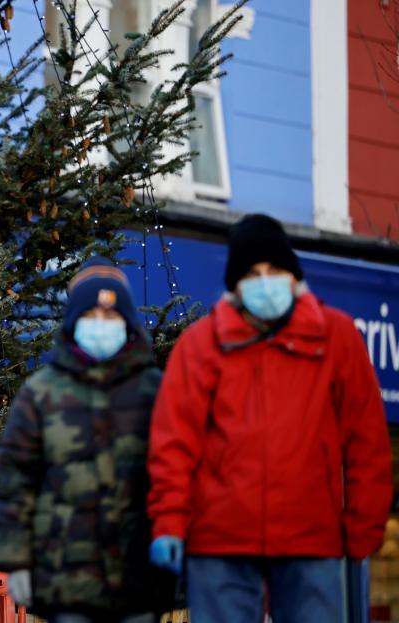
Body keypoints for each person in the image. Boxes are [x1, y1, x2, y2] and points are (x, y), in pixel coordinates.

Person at [147, 214, 394, 623]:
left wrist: (364, 526)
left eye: (275, 270)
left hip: (311, 540)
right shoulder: (201, 345)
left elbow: (365, 438)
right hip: (221, 543)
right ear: (235, 284)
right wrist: (170, 522)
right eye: (252, 273)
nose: (265, 281)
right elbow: (174, 443)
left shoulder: (337, 337)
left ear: (294, 275)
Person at [0, 258, 168, 623]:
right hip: (65, 576)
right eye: (92, 316)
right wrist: (17, 560)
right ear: (74, 322)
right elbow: (16, 481)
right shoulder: (41, 393)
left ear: (127, 324)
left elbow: (178, 474)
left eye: (111, 316)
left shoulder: (156, 391)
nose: (101, 326)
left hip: (139, 576)